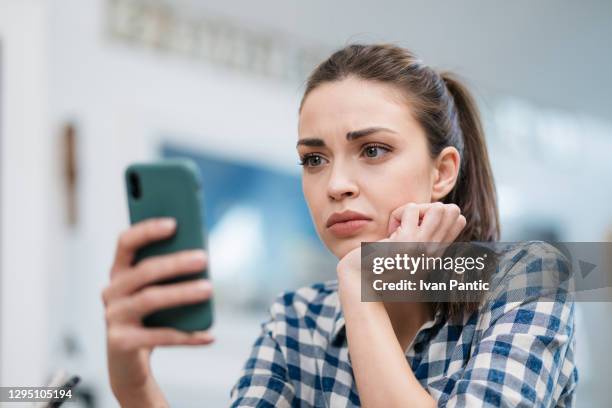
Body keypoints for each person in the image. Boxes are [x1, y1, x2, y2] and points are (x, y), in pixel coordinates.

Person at [102, 43, 578, 407]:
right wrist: (132, 380)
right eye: (314, 159)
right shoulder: (297, 319)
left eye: (373, 150)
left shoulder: (529, 278)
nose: (336, 184)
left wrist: (363, 290)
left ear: (443, 173)